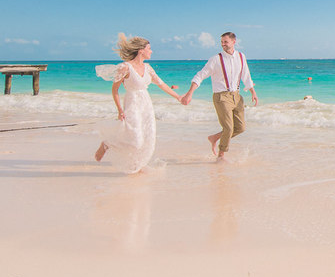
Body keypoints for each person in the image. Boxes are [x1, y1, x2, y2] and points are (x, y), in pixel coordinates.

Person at [94, 34, 183, 174]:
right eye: (149, 48)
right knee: (135, 140)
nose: (151, 51)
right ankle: (108, 143)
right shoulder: (125, 67)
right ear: (141, 50)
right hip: (132, 104)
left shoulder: (148, 68)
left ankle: (137, 165)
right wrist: (119, 110)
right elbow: (115, 89)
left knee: (148, 136)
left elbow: (162, 84)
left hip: (146, 105)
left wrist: (178, 97)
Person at [180, 31, 258, 160]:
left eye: (226, 42)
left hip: (237, 96)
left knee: (241, 128)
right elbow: (200, 75)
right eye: (222, 42)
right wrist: (190, 93)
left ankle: (215, 137)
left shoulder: (241, 56)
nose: (223, 45)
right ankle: (221, 157)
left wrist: (253, 93)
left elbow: (246, 75)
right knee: (228, 127)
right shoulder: (216, 59)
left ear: (234, 42)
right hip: (221, 97)